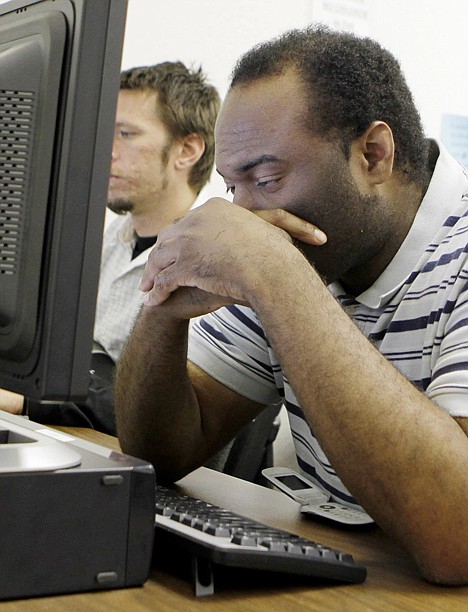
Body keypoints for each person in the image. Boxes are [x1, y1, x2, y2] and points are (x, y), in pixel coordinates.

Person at [114, 27, 468, 585]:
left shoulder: (290, 263)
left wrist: (276, 276)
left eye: (268, 177)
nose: (245, 214)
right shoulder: (304, 251)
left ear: (373, 155)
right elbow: (158, 450)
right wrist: (164, 299)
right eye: (234, 189)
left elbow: (458, 538)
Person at [0, 61, 220, 434]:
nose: (106, 151)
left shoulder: (213, 261)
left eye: (126, 134)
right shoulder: (113, 238)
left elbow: (169, 413)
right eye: (105, 132)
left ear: (187, 149)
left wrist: (26, 401)